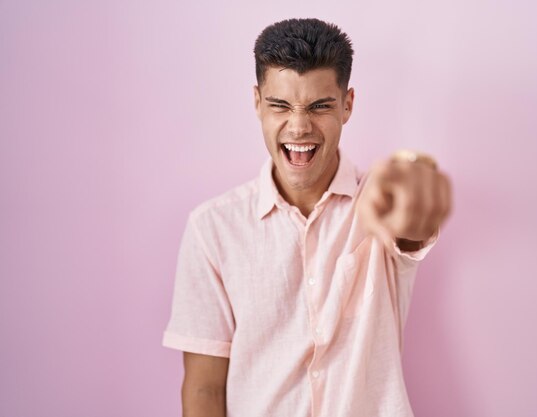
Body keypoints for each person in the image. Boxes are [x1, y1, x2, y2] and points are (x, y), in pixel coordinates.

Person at [162, 17, 452, 417]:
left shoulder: (379, 206)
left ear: (347, 104)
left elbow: (413, 224)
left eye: (320, 106)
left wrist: (412, 181)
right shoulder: (212, 229)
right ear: (257, 102)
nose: (299, 127)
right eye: (280, 105)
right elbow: (204, 390)